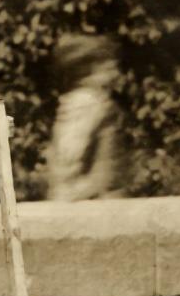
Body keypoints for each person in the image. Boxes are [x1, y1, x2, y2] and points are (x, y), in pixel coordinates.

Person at [46, 33, 126, 202]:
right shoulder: (95, 104)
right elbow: (101, 173)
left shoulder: (76, 103)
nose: (116, 73)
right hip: (95, 201)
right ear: (91, 70)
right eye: (109, 67)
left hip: (73, 197)